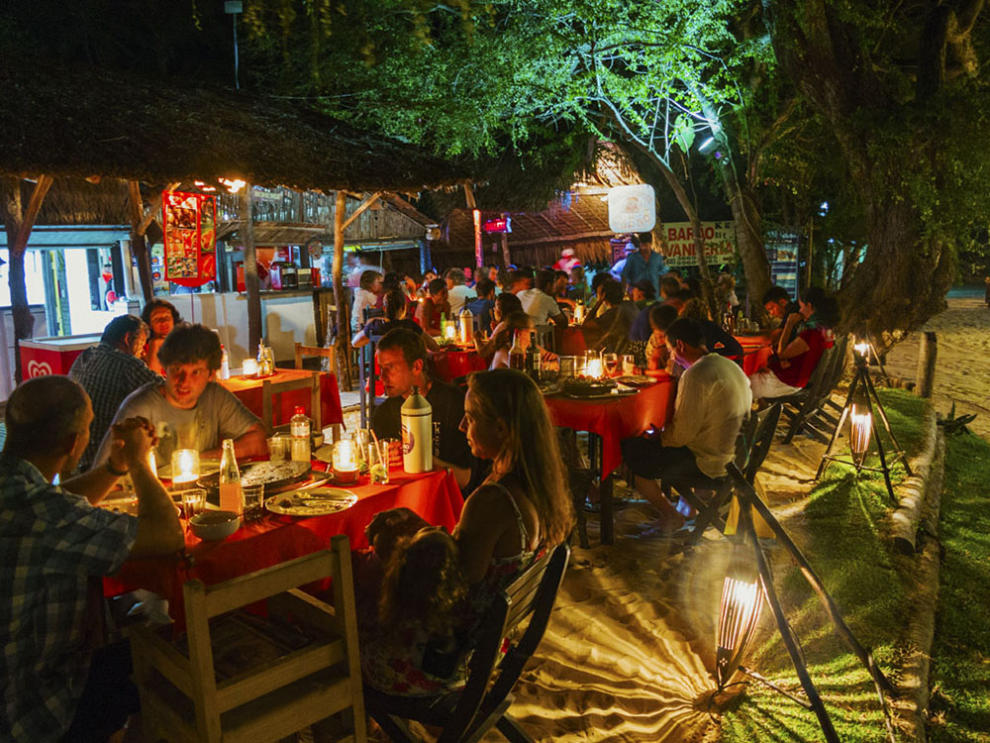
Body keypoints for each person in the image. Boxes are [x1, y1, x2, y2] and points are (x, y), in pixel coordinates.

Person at [360, 369, 575, 696]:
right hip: (483, 649)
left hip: (442, 664)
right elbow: (472, 557)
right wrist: (420, 529)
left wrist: (397, 546)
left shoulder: (492, 501)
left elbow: (453, 585)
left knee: (349, 593)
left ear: (500, 428)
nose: (462, 427)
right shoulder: (536, 488)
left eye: (471, 418)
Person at [0, 376, 183, 742]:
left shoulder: (20, 491)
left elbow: (57, 503)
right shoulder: (46, 515)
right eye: (88, 427)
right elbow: (168, 534)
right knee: (170, 641)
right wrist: (138, 461)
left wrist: (113, 468)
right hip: (30, 707)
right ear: (74, 443)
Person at [621, 318, 752, 530]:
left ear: (680, 345)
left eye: (671, 350)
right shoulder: (728, 365)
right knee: (650, 445)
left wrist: (657, 436)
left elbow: (679, 437)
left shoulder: (696, 374)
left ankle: (670, 514)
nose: (672, 357)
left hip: (713, 464)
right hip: (738, 457)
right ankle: (691, 503)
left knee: (631, 450)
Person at [95, 324, 267, 466]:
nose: (184, 381)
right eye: (177, 369)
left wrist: (200, 460)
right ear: (165, 370)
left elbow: (259, 439)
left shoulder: (215, 396)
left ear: (211, 374)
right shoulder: (140, 406)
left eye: (196, 372)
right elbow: (101, 473)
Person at [372, 329, 476, 490]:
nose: (382, 377)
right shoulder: (384, 413)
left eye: (390, 367)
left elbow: (466, 478)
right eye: (381, 368)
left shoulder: (453, 403)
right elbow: (378, 472)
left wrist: (419, 458)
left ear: (416, 366)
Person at [69, 314, 158, 471]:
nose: (142, 352)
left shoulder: (86, 356)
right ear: (128, 338)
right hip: (103, 461)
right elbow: (169, 390)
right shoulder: (127, 364)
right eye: (142, 344)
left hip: (75, 459)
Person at [749, 287, 838, 400]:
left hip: (788, 383)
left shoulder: (812, 334)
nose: (799, 311)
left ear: (809, 306)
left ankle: (750, 415)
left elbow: (782, 353)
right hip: (797, 379)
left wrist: (789, 324)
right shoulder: (826, 332)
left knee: (743, 382)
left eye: (801, 307)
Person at [352, 288, 440, 351]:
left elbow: (355, 343)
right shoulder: (409, 325)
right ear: (403, 308)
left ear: (384, 309)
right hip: (406, 373)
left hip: (383, 373)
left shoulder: (375, 326)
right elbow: (434, 347)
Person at [141, 298, 182, 375]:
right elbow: (152, 380)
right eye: (156, 319)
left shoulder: (184, 344)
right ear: (149, 324)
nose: (163, 322)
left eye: (167, 317)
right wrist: (155, 344)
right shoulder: (142, 350)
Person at [621, 234, 666, 298]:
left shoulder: (657, 257)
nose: (644, 248)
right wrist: (625, 291)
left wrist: (662, 292)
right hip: (638, 295)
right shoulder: (632, 258)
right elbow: (624, 275)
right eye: (642, 245)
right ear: (639, 244)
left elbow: (662, 275)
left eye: (646, 245)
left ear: (650, 244)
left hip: (655, 295)